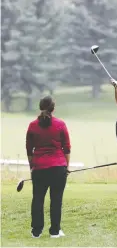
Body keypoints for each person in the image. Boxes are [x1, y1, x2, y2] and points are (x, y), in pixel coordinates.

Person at [26, 95, 71, 238]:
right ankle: (55, 231)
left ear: (40, 107)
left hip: (39, 168)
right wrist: (66, 167)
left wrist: (32, 167)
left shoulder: (32, 125)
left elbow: (29, 150)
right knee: (56, 199)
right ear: (53, 108)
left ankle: (36, 231)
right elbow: (67, 148)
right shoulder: (60, 124)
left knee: (37, 199)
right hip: (58, 167)